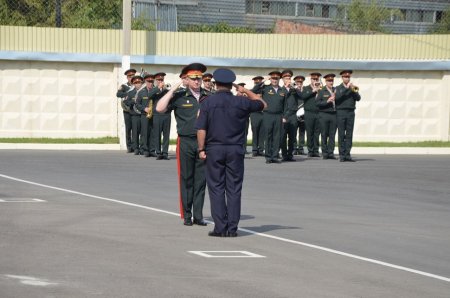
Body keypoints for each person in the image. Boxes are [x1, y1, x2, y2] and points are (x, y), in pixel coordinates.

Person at [195, 68, 266, 237]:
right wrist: (245, 90)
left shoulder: (207, 103)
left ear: (215, 83)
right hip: (235, 149)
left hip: (214, 149)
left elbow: (201, 129)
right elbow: (263, 104)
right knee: (234, 189)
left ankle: (220, 227)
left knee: (216, 188)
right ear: (231, 84)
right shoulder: (241, 102)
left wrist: (201, 149)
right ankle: (232, 229)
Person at [156, 63, 209, 226]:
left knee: (201, 180)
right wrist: (172, 90)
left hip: (204, 143)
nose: (197, 81)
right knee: (187, 178)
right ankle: (187, 215)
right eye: (193, 78)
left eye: (199, 78)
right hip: (185, 141)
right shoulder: (179, 96)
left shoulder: (208, 96)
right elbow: (159, 108)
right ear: (186, 79)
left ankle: (198, 215)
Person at [252, 71, 287, 164]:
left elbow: (285, 105)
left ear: (279, 79)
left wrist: (284, 116)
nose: (275, 80)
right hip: (268, 115)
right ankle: (268, 157)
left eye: (276, 79)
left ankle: (275, 156)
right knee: (268, 136)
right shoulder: (265, 88)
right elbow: (254, 90)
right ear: (270, 79)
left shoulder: (282, 90)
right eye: (273, 78)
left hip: (278, 115)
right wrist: (263, 81)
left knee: (277, 136)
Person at [335, 70, 361, 162]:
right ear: (342, 78)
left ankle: (348, 154)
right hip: (341, 112)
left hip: (350, 112)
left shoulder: (353, 88)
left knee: (349, 134)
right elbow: (337, 98)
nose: (347, 78)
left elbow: (358, 98)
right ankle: (342, 155)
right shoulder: (338, 88)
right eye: (345, 77)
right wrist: (346, 89)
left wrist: (353, 90)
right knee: (341, 134)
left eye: (348, 77)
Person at [300, 72, 322, 157]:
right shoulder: (306, 88)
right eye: (314, 79)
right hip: (309, 113)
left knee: (317, 132)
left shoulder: (321, 89)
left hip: (318, 112)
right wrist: (313, 91)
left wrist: (318, 90)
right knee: (309, 132)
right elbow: (303, 97)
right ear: (311, 79)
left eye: (317, 79)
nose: (315, 80)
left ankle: (316, 150)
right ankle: (310, 150)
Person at [316, 73, 337, 160]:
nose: (330, 82)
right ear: (326, 81)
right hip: (324, 114)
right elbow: (317, 103)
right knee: (324, 134)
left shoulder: (336, 90)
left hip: (334, 114)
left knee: (332, 135)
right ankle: (325, 153)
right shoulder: (321, 91)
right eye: (329, 81)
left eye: (332, 80)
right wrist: (327, 101)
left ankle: (331, 152)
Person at [134, 73, 155, 157]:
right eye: (148, 81)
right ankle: (145, 149)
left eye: (151, 81)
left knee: (153, 133)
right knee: (145, 132)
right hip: (144, 115)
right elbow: (137, 104)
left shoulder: (155, 91)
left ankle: (152, 150)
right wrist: (144, 108)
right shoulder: (141, 92)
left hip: (154, 115)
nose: (150, 83)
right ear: (145, 82)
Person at [280, 69, 299, 162]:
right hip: (284, 115)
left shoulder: (294, 90)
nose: (288, 80)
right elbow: (281, 100)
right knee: (283, 136)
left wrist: (296, 88)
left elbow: (302, 96)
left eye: (289, 78)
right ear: (283, 79)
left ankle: (290, 155)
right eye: (286, 78)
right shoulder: (280, 90)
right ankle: (284, 155)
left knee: (292, 137)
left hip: (293, 116)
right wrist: (287, 88)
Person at [152, 72, 171, 160]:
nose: (160, 81)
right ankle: (158, 152)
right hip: (157, 115)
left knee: (166, 135)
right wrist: (157, 88)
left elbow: (171, 101)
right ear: (155, 81)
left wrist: (168, 109)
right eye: (158, 80)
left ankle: (165, 153)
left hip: (166, 115)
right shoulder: (153, 90)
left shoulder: (167, 90)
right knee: (157, 134)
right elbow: (149, 96)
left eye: (161, 80)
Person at [116, 68, 136, 153]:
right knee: (128, 129)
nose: (131, 77)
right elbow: (118, 94)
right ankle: (129, 146)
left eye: (132, 76)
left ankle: (135, 146)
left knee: (135, 129)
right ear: (127, 78)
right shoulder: (124, 86)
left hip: (135, 110)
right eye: (129, 76)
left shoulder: (137, 85)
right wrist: (127, 94)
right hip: (127, 110)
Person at [124, 74, 144, 155]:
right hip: (134, 115)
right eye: (136, 83)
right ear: (133, 84)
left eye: (139, 82)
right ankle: (136, 148)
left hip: (143, 115)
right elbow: (126, 102)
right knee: (135, 132)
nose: (138, 84)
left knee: (143, 132)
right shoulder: (131, 93)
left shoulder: (144, 92)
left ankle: (142, 148)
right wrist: (131, 102)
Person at [250, 76, 265, 157]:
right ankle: (255, 149)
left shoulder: (264, 90)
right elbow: (252, 91)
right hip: (255, 113)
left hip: (263, 113)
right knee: (255, 131)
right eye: (257, 82)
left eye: (260, 82)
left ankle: (261, 149)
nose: (258, 83)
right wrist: (258, 85)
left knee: (262, 132)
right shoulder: (253, 90)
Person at [292, 75, 306, 155]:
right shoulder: (293, 90)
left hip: (303, 114)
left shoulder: (305, 90)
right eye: (298, 82)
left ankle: (301, 148)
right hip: (295, 113)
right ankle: (294, 148)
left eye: (301, 82)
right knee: (294, 132)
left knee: (302, 132)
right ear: (295, 82)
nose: (299, 83)